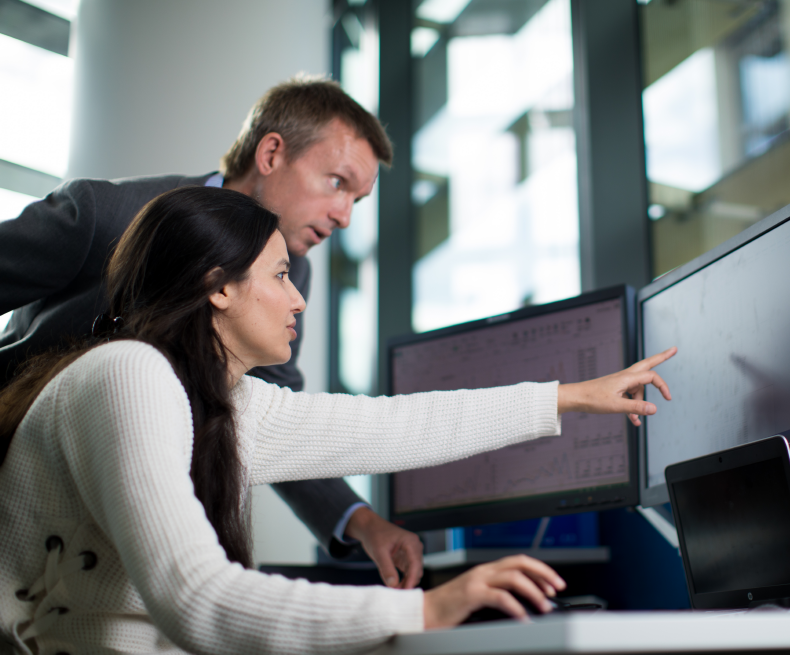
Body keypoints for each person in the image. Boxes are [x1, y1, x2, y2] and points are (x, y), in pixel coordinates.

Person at [0, 186, 676, 654]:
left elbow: (398, 426)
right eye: (279, 275)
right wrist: (426, 609)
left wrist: (569, 396)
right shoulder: (129, 375)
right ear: (220, 286)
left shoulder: (222, 402)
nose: (298, 298)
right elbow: (194, 595)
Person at [0, 75, 423, 589]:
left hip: (109, 544)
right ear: (271, 154)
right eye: (338, 183)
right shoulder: (104, 215)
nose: (345, 216)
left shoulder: (289, 274)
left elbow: (276, 409)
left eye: (357, 198)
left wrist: (361, 522)